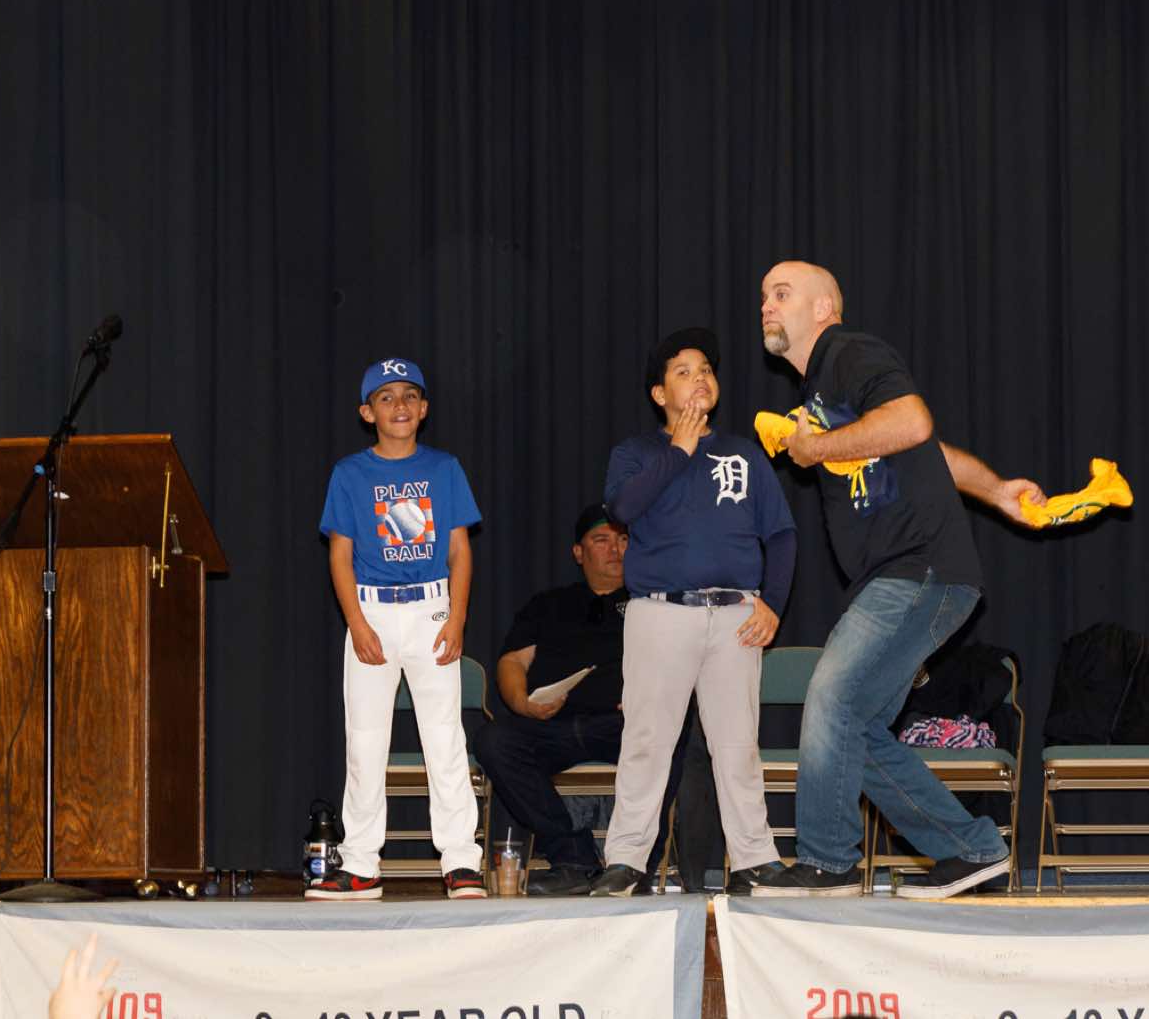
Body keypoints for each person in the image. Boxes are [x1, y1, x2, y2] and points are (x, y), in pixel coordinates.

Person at [752, 260, 1048, 900]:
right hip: (907, 574)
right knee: (853, 728)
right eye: (764, 296)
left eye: (782, 293)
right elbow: (925, 451)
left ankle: (827, 862)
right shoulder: (822, 393)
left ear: (824, 308)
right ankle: (971, 850)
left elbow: (911, 422)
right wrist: (996, 489)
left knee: (831, 698)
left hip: (919, 568)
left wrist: (813, 449)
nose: (767, 305)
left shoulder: (846, 351)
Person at [583, 328, 796, 897]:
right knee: (647, 740)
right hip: (661, 612)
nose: (699, 377)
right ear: (659, 394)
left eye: (706, 369)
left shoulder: (743, 453)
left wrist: (773, 603)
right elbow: (623, 507)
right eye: (683, 371)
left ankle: (755, 858)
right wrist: (679, 450)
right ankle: (627, 859)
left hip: (735, 613)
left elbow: (781, 533)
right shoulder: (636, 453)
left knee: (737, 744)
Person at [312, 358, 486, 901]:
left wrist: (456, 617)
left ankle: (461, 861)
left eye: (410, 395)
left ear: (424, 408)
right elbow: (340, 556)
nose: (400, 406)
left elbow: (459, 551)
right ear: (368, 412)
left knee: (445, 737)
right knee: (365, 741)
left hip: (431, 608)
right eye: (386, 397)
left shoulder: (444, 468)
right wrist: (356, 622)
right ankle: (361, 862)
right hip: (373, 611)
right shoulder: (350, 474)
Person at [471, 503, 693, 895]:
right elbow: (512, 661)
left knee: (668, 729)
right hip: (553, 723)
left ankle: (638, 867)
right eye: (601, 540)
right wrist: (523, 704)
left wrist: (649, 696)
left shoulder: (655, 603)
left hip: (624, 723)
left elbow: (684, 661)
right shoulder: (549, 604)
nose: (615, 550)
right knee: (495, 740)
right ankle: (573, 857)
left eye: (624, 540)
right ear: (579, 552)